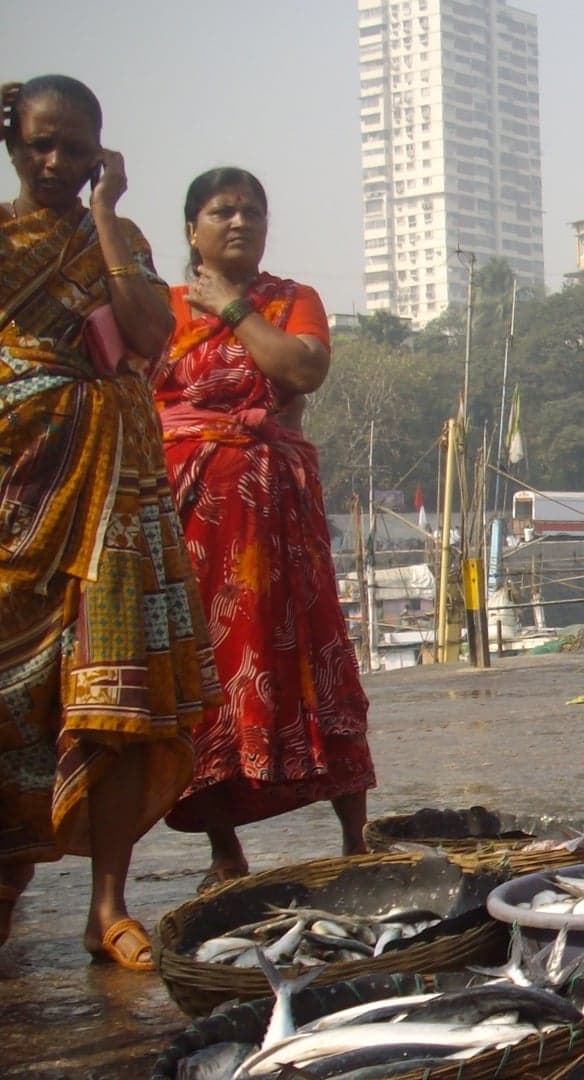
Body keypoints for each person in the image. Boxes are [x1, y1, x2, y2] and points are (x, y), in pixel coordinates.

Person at [0, 76, 219, 970]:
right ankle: (10, 886)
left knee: (119, 696)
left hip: (118, 490)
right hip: (21, 483)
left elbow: (147, 333)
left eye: (75, 147)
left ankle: (108, 906)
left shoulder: (118, 238)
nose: (55, 162)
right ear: (13, 144)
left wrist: (104, 217)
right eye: (39, 145)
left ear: (101, 152)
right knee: (15, 702)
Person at [151, 168, 377, 892]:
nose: (240, 221)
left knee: (318, 653)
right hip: (194, 520)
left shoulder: (290, 300)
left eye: (253, 210)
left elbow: (301, 369)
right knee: (206, 673)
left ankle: (357, 833)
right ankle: (224, 848)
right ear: (193, 229)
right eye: (223, 211)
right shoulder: (159, 310)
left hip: (279, 516)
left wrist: (237, 308)